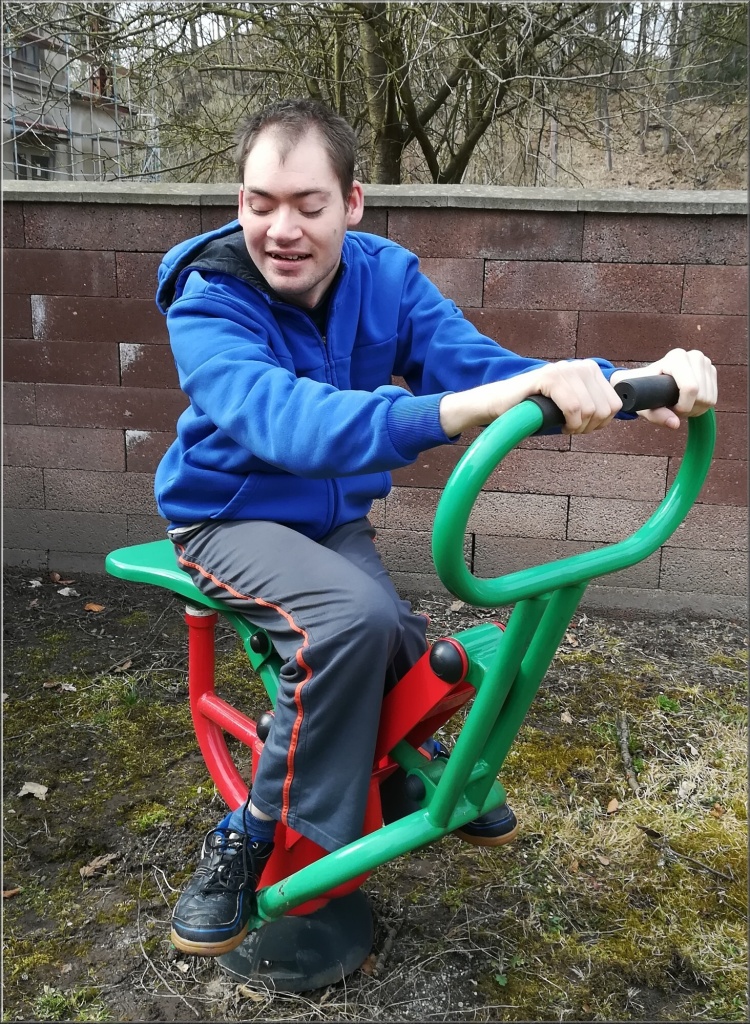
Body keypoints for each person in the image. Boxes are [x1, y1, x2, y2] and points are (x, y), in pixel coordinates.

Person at [153, 98, 717, 957]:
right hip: (226, 516)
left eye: (308, 204)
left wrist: (630, 380)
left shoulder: (385, 278)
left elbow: (485, 369)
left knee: (399, 639)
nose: (281, 230)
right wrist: (454, 412)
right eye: (259, 204)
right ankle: (253, 833)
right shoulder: (209, 302)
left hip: (329, 521)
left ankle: (400, 772)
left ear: (353, 203)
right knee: (347, 623)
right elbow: (290, 424)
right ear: (240, 204)